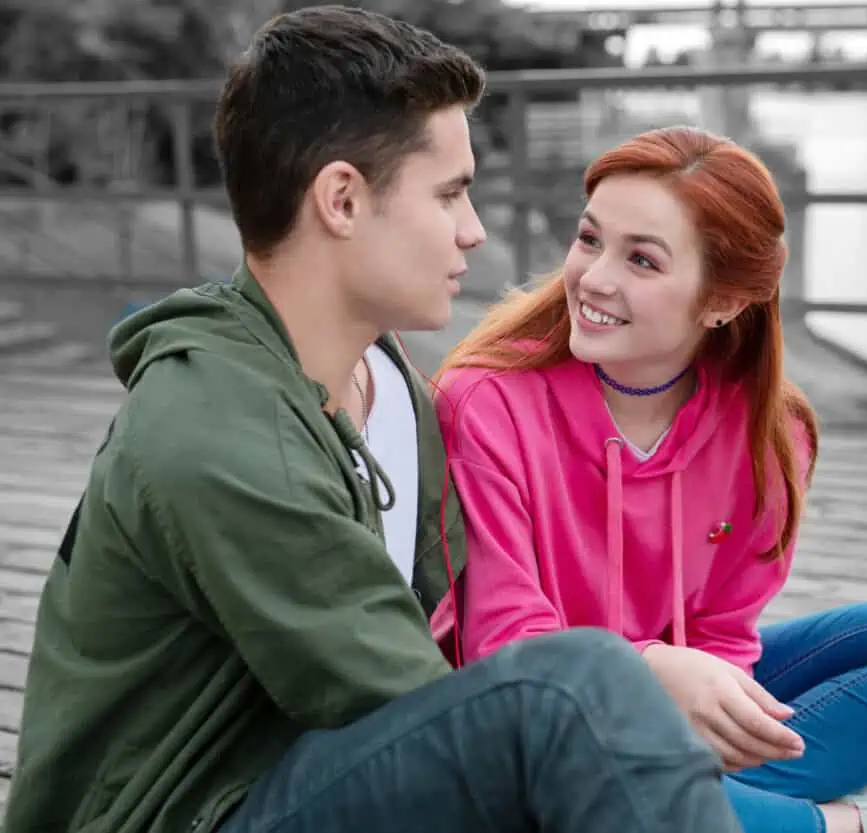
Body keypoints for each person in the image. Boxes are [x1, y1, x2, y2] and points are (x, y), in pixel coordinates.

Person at [2, 9, 744, 833]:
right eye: (451, 193)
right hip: (193, 812)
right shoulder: (213, 429)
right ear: (344, 200)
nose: (475, 228)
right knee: (581, 688)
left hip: (311, 769)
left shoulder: (387, 379)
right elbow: (437, 714)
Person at [429, 126, 867, 833]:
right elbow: (502, 642)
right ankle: (840, 823)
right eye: (589, 239)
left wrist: (682, 710)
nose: (594, 277)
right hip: (526, 717)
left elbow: (723, 635)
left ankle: (679, 806)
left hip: (666, 714)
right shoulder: (485, 402)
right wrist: (647, 667)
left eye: (641, 259)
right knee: (564, 778)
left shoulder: (769, 434)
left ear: (723, 301)